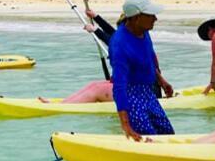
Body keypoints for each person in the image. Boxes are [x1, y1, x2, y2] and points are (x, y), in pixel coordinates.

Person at [38, 8, 173, 104]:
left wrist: (95, 30)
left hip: (143, 94)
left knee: (96, 89)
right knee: (94, 84)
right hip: (143, 89)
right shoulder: (139, 38)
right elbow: (113, 34)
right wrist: (96, 17)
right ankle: (63, 103)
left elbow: (114, 42)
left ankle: (60, 107)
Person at [110, 0, 174, 140]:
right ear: (136, 18)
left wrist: (161, 81)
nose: (155, 19)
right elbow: (119, 86)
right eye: (151, 15)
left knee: (167, 133)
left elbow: (149, 58)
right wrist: (125, 125)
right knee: (149, 138)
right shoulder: (119, 45)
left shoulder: (143, 31)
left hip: (148, 92)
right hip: (131, 95)